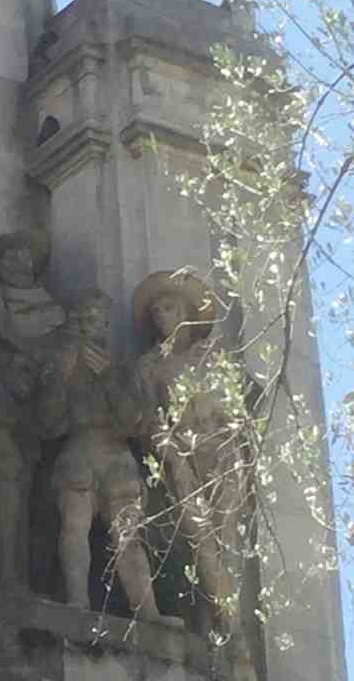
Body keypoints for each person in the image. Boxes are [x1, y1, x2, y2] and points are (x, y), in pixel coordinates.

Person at [133, 271, 256, 681]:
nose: (160, 317)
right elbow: (151, 419)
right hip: (182, 462)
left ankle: (212, 622)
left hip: (222, 455)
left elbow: (237, 410)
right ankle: (234, 634)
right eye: (154, 312)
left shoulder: (214, 355)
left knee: (225, 543)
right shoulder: (150, 366)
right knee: (200, 544)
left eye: (167, 308)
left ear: (186, 311)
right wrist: (170, 454)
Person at [38, 289, 161, 620]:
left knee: (129, 536)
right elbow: (47, 423)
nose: (99, 328)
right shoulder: (62, 365)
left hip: (118, 455)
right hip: (78, 449)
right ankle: (77, 600)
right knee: (74, 525)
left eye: (104, 322)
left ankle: (147, 610)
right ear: (77, 323)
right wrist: (61, 379)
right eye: (92, 320)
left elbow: (134, 420)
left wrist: (109, 376)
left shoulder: (122, 368)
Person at [0, 231, 65, 588]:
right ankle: (4, 575)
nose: (15, 262)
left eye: (22, 254)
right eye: (6, 256)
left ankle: (25, 576)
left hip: (38, 415)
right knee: (3, 483)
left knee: (32, 497)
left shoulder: (55, 313)